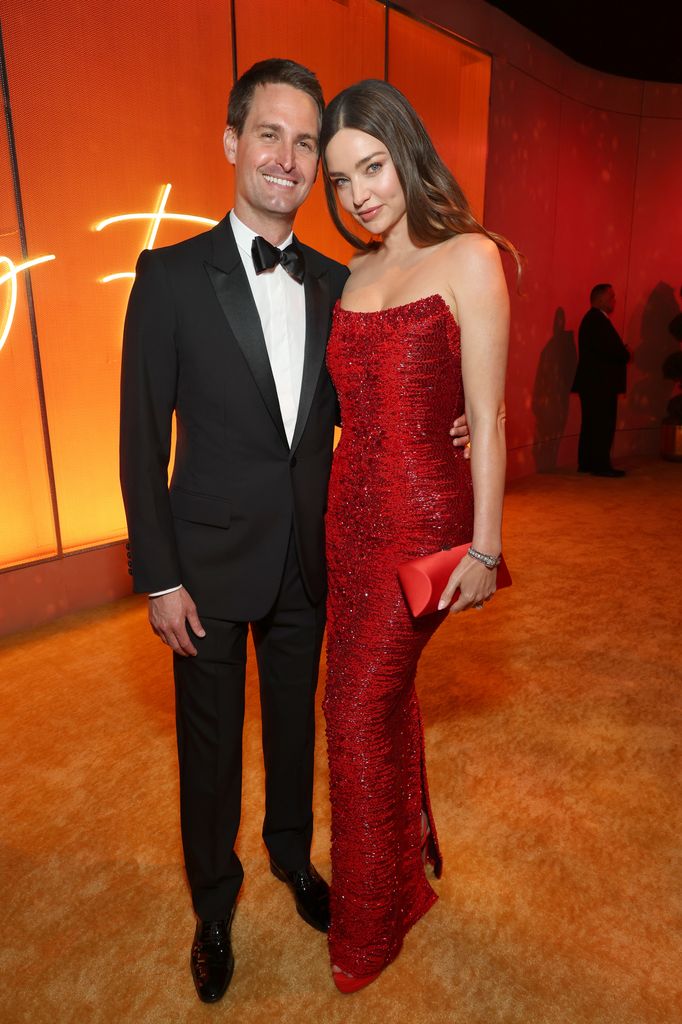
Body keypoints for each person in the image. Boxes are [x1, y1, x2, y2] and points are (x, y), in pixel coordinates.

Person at [119, 59, 471, 1004]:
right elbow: (139, 438)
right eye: (269, 134)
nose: (289, 158)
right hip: (202, 563)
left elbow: (384, 395)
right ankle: (215, 902)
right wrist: (158, 576)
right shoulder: (167, 276)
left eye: (307, 142)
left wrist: (456, 420)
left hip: (316, 557)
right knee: (208, 744)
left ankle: (291, 859)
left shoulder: (340, 280)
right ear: (232, 143)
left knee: (299, 730)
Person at [318, 79, 516, 992]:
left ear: (407, 152)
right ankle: (403, 882)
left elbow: (491, 415)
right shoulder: (350, 274)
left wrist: (483, 547)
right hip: (347, 523)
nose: (360, 193)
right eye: (341, 180)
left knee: (352, 712)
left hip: (426, 529)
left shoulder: (471, 257)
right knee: (381, 706)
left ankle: (368, 932)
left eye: (373, 166)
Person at [572, 283, 630, 477]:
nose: (614, 300)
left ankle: (588, 462)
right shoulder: (597, 320)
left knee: (591, 424)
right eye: (611, 296)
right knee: (601, 424)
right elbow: (610, 351)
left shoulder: (592, 320)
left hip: (594, 383)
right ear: (600, 299)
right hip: (600, 383)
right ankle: (600, 465)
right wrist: (625, 352)